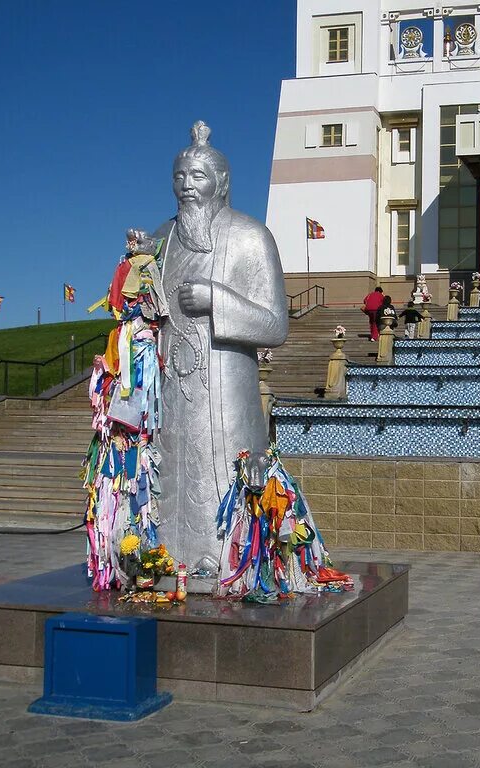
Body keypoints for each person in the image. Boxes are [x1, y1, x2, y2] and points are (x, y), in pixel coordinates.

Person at [150, 121, 288, 568]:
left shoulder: (250, 236)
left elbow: (275, 325)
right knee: (168, 471)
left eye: (198, 176)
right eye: (179, 176)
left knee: (222, 468)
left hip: (226, 387)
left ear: (221, 182)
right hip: (170, 385)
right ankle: (163, 555)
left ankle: (232, 558)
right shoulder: (160, 241)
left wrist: (218, 299)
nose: (187, 185)